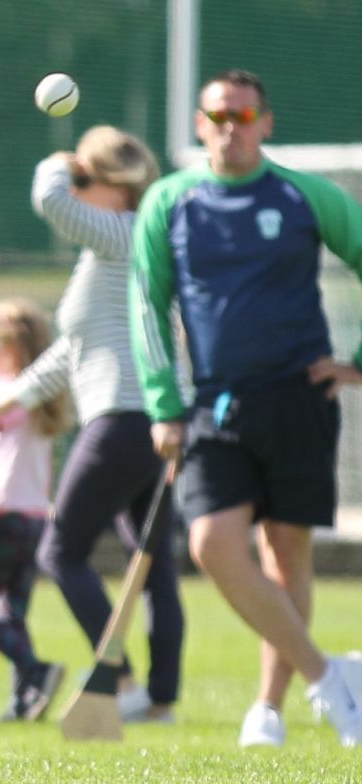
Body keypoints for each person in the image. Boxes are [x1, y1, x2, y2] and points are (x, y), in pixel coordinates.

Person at [129, 69, 362, 747]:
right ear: (200, 124)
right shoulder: (169, 201)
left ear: (266, 121)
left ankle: (269, 708)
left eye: (244, 114)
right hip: (213, 407)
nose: (231, 126)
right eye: (218, 116)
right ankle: (330, 678)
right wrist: (162, 404)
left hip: (301, 396)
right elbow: (146, 304)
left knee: (286, 554)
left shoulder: (304, 194)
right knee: (211, 544)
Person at [0, 126, 184, 724]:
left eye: (88, 179)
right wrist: (1, 404)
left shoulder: (126, 232)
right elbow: (70, 351)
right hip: (150, 417)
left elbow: (50, 201)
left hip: (121, 416)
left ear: (117, 188)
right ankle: (159, 700)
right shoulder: (112, 255)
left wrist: (58, 163)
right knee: (154, 562)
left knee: (61, 551)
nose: (77, 188)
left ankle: (115, 680)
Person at [0, 298, 68, 722]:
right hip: (34, 519)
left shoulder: (6, 394)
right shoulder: (31, 396)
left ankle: (36, 670)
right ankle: (25, 699)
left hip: (7, 519)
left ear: (11, 350)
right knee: (14, 616)